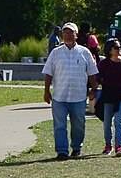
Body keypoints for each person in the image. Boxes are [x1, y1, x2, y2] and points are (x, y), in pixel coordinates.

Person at [41, 22, 99, 160]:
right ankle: (62, 151)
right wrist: (46, 91)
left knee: (78, 124)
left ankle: (76, 147)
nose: (67, 35)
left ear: (76, 35)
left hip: (78, 96)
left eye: (70, 32)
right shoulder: (56, 53)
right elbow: (48, 73)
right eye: (65, 32)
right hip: (59, 96)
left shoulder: (85, 52)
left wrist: (94, 89)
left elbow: (92, 73)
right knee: (59, 125)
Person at [96, 39, 121, 156]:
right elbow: (98, 78)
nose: (119, 49)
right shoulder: (103, 64)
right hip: (108, 94)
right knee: (107, 122)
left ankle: (119, 146)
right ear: (109, 50)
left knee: (119, 121)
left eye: (119, 47)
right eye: (116, 47)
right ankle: (108, 145)